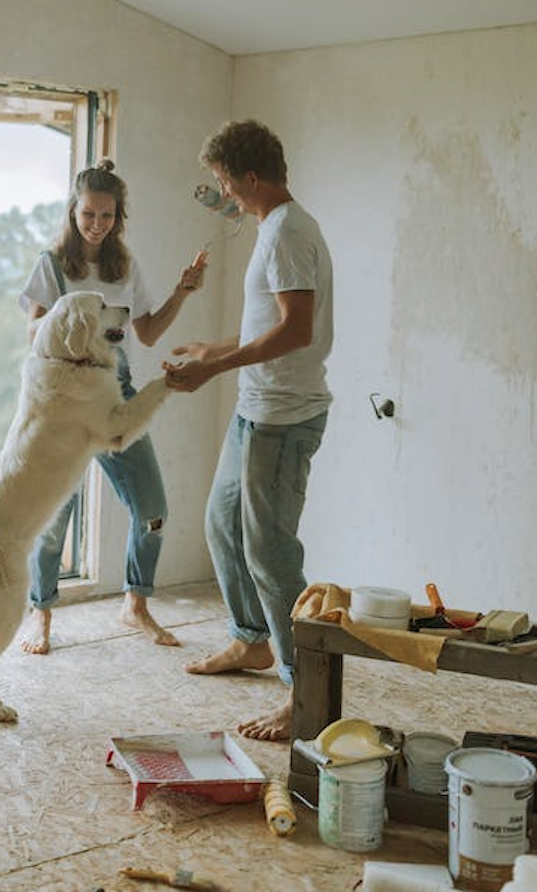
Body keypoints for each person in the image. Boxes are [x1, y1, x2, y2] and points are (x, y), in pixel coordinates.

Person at [163, 120, 333, 741]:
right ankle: (251, 640)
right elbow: (272, 324)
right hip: (255, 408)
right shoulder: (275, 229)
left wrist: (213, 369)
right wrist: (219, 347)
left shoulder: (288, 231)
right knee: (220, 521)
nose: (224, 193)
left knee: (272, 554)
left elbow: (297, 331)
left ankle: (303, 689)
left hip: (283, 418)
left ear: (250, 178)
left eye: (224, 183)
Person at [19, 159, 205, 655]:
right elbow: (33, 333)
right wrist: (74, 320)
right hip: (65, 399)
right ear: (73, 212)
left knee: (153, 511)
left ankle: (135, 604)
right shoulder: (52, 264)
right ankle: (40, 613)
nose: (97, 224)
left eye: (107, 216)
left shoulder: (126, 266)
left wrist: (181, 294)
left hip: (116, 393)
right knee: (54, 516)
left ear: (118, 217)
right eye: (88, 215)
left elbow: (146, 332)